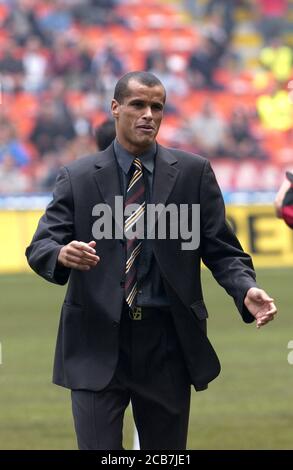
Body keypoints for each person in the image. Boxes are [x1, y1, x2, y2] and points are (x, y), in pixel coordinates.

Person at [26, 71, 277, 450]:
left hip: (167, 344)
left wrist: (245, 288)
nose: (148, 115)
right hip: (95, 339)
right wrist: (60, 254)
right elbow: (40, 245)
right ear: (115, 108)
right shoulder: (77, 177)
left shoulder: (194, 174)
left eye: (156, 107)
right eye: (138, 105)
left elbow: (223, 250)